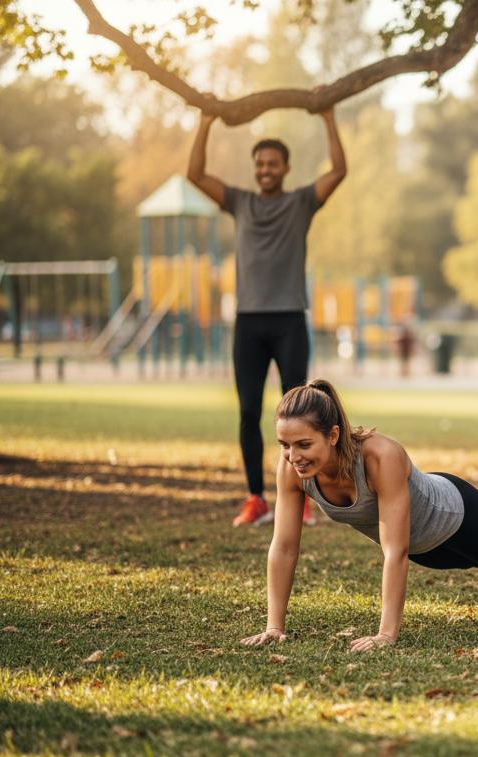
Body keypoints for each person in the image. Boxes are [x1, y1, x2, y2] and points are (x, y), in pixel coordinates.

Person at [239, 379, 478, 651]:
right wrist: (275, 627)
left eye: (304, 444)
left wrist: (386, 634)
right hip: (426, 548)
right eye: (285, 445)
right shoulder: (291, 469)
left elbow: (394, 551)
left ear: (334, 435)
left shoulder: (379, 456)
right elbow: (285, 548)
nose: (294, 455)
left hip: (455, 513)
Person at [187, 100, 347, 527]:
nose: (265, 170)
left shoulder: (301, 203)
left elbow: (339, 171)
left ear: (285, 167)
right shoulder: (239, 202)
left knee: (303, 418)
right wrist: (205, 121)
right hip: (250, 323)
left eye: (272, 164)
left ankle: (304, 498)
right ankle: (256, 498)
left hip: (290, 319)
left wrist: (328, 116)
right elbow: (196, 175)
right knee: (247, 411)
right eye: (259, 164)